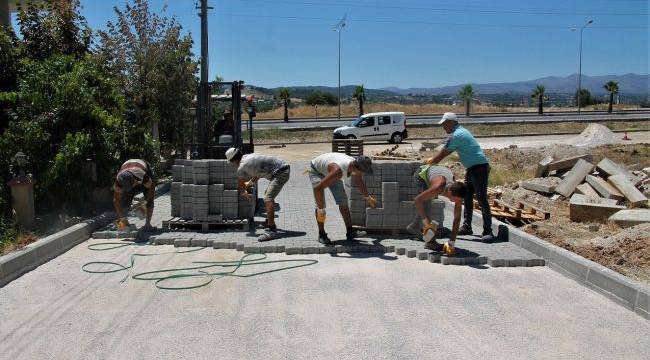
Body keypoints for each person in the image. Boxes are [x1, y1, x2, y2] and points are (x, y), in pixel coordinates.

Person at [426, 112, 494, 242]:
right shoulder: (460, 132)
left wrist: (428, 164)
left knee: (481, 198)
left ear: (451, 122)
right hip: (473, 168)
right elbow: (446, 152)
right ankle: (467, 227)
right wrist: (433, 160)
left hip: (479, 168)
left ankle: (488, 231)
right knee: (467, 197)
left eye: (445, 124)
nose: (443, 127)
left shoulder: (456, 135)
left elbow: (442, 155)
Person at [309, 153, 376, 244]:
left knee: (343, 201)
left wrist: (367, 197)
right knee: (321, 208)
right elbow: (318, 189)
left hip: (330, 170)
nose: (364, 173)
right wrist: (320, 209)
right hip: (316, 170)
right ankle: (321, 234)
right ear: (357, 168)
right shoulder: (338, 171)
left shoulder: (355, 165)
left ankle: (350, 232)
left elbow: (359, 181)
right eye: (364, 171)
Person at [226, 148, 290, 242]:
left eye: (232, 162)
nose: (233, 165)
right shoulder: (248, 157)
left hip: (281, 172)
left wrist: (244, 192)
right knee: (268, 195)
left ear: (234, 160)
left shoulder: (241, 167)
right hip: (282, 167)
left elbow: (241, 188)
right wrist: (249, 183)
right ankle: (269, 221)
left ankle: (271, 231)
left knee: (268, 198)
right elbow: (258, 172)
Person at [406, 165, 467, 256]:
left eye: (459, 200)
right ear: (449, 192)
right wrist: (427, 224)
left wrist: (451, 243)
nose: (456, 202)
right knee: (426, 208)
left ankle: (414, 226)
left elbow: (457, 219)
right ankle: (430, 243)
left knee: (427, 207)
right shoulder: (439, 186)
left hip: (438, 173)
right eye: (456, 199)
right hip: (421, 175)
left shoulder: (456, 191)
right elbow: (417, 200)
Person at [113, 159, 156, 231]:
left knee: (150, 200)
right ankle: (124, 224)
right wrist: (122, 218)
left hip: (141, 168)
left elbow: (152, 188)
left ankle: (148, 225)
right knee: (124, 201)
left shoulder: (142, 176)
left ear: (134, 181)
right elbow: (116, 200)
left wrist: (145, 202)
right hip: (127, 167)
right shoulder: (119, 181)